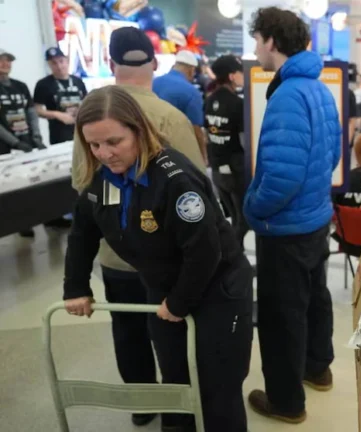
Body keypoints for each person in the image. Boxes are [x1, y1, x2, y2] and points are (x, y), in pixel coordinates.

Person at [64, 85, 253, 432]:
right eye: (94, 144)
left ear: (139, 130)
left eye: (114, 142)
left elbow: (204, 251)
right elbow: (82, 233)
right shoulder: (104, 180)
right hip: (164, 286)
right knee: (175, 380)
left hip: (218, 289)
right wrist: (76, 286)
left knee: (217, 386)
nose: (104, 154)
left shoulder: (173, 179)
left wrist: (179, 303)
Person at [70, 26, 206, 428]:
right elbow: (197, 193)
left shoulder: (90, 119)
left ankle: (141, 402)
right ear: (155, 63)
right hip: (166, 261)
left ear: (111, 64)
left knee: (126, 331)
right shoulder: (172, 117)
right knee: (170, 337)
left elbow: (82, 186)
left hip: (115, 254)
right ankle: (175, 408)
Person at [244, 7, 341, 424]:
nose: (254, 50)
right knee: (315, 297)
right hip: (315, 216)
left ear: (270, 40)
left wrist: (253, 207)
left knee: (282, 314)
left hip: (285, 227)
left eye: (256, 40)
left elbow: (281, 178)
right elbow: (333, 152)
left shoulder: (286, 95)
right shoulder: (317, 88)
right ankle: (317, 367)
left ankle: (286, 401)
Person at [205, 54, 248, 250]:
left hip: (216, 169)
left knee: (232, 217)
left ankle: (230, 257)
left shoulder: (209, 100)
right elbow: (243, 140)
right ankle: (234, 259)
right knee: (243, 221)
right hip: (234, 170)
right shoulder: (237, 104)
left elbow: (208, 134)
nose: (242, 76)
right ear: (232, 76)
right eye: (240, 72)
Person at [152, 50, 207, 165]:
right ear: (191, 70)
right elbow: (196, 130)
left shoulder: (153, 83)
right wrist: (203, 157)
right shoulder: (191, 92)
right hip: (178, 155)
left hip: (152, 150)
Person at [33, 47, 87, 145]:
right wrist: (57, 115)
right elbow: (37, 110)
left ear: (67, 61)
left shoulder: (78, 81)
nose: (59, 66)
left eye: (61, 61)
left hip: (82, 130)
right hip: (59, 135)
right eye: (54, 63)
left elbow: (86, 102)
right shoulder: (43, 84)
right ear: (49, 64)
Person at [0, 49, 45, 155]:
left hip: (27, 143)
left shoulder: (21, 86)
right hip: (4, 149)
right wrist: (15, 143)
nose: (6, 64)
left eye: (8, 61)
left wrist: (36, 137)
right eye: (1, 60)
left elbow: (32, 113)